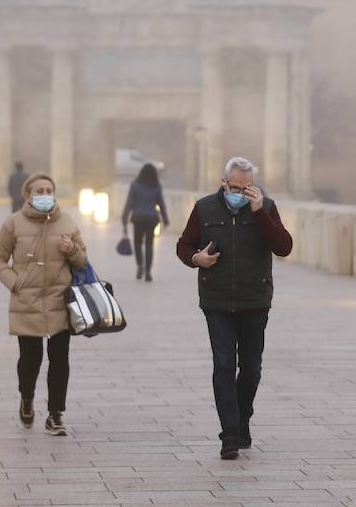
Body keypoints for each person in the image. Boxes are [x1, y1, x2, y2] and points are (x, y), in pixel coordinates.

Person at [176, 156, 293, 460]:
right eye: (236, 187)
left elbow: (283, 247)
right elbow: (184, 245)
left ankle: (243, 420)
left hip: (255, 300)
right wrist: (195, 259)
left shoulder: (265, 208)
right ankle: (229, 434)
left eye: (247, 188)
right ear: (224, 182)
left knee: (251, 368)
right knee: (224, 365)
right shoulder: (204, 208)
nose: (240, 193)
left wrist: (259, 214)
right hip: (217, 301)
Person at [0, 171, 88, 436]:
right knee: (30, 360)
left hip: (60, 303)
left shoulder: (67, 222)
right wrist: (15, 282)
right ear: (27, 195)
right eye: (39, 191)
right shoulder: (13, 223)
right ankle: (27, 398)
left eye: (48, 190)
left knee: (59, 360)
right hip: (27, 302)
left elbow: (82, 261)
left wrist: (73, 251)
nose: (45, 195)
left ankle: (56, 415)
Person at [121, 162, 170, 282]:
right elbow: (161, 204)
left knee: (137, 243)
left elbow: (129, 203)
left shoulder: (135, 185)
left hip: (138, 218)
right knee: (149, 245)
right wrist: (165, 219)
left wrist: (124, 217)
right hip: (152, 219)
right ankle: (148, 271)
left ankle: (140, 265)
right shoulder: (157, 187)